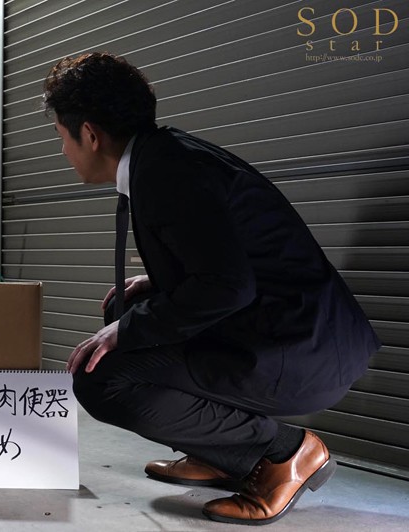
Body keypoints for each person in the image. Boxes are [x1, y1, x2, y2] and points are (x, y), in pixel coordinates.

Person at [43, 52, 380, 526]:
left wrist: (127, 330)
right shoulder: (166, 157)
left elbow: (228, 287)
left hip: (300, 349)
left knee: (100, 379)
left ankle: (286, 453)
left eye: (61, 136)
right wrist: (151, 292)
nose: (63, 150)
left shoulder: (167, 172)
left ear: (90, 134)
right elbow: (229, 260)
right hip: (292, 331)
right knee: (127, 306)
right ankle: (222, 455)